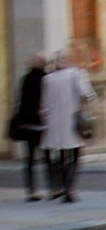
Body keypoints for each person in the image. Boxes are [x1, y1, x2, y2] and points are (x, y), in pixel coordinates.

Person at [40, 50, 96, 203]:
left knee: (60, 156)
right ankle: (70, 189)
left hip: (53, 124)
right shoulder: (76, 74)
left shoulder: (47, 79)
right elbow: (88, 95)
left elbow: (43, 105)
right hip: (72, 121)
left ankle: (61, 187)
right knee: (75, 156)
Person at [11, 53, 47, 201]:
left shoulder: (27, 79)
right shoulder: (45, 78)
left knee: (31, 159)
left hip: (30, 123)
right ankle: (53, 189)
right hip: (41, 123)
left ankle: (32, 190)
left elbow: (19, 102)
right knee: (47, 158)